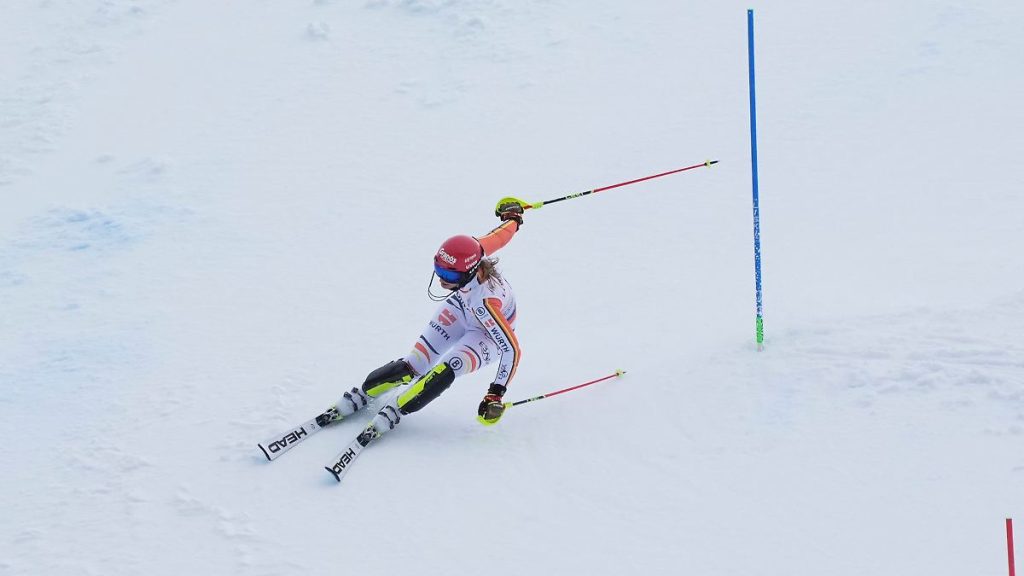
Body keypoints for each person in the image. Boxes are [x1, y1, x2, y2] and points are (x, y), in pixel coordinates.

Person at [324, 198, 526, 444]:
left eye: (449, 275)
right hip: (461, 309)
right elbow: (502, 235)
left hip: (486, 334)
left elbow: (512, 349)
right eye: (439, 270)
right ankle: (364, 393)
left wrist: (495, 393)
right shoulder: (477, 249)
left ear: (471, 271)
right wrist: (513, 218)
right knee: (414, 364)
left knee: (449, 367)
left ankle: (397, 409)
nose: (442, 279)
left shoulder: (487, 305)